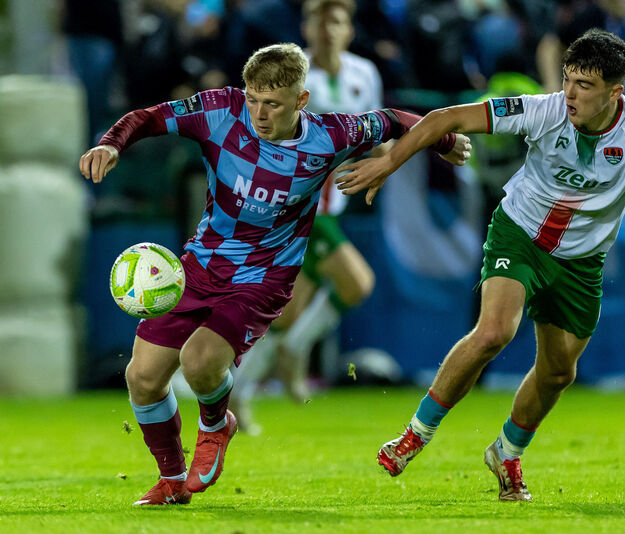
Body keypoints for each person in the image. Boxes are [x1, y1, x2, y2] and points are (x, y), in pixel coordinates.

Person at [336, 29, 625, 501]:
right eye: (568, 79)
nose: (571, 93)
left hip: (581, 263)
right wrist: (388, 161)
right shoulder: (544, 109)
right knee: (494, 330)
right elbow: (444, 117)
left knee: (559, 373)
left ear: (615, 92)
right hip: (520, 235)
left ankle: (507, 453)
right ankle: (416, 434)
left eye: (585, 85)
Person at [78, 42, 469, 506]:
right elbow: (147, 116)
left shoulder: (330, 135)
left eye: (274, 104)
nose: (260, 113)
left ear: (301, 102)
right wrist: (110, 142)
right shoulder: (220, 109)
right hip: (201, 265)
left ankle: (215, 425)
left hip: (263, 277)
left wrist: (445, 140)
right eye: (254, 100)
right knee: (142, 377)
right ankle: (171, 481)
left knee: (200, 362)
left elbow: (397, 119)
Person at [230, 0, 387, 421]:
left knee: (286, 313)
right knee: (357, 283)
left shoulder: (364, 74)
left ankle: (235, 397)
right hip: (299, 204)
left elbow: (379, 130)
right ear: (307, 27)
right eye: (320, 21)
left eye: (336, 21)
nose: (327, 29)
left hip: (332, 203)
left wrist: (384, 162)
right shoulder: (287, 79)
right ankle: (295, 352)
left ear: (349, 29)